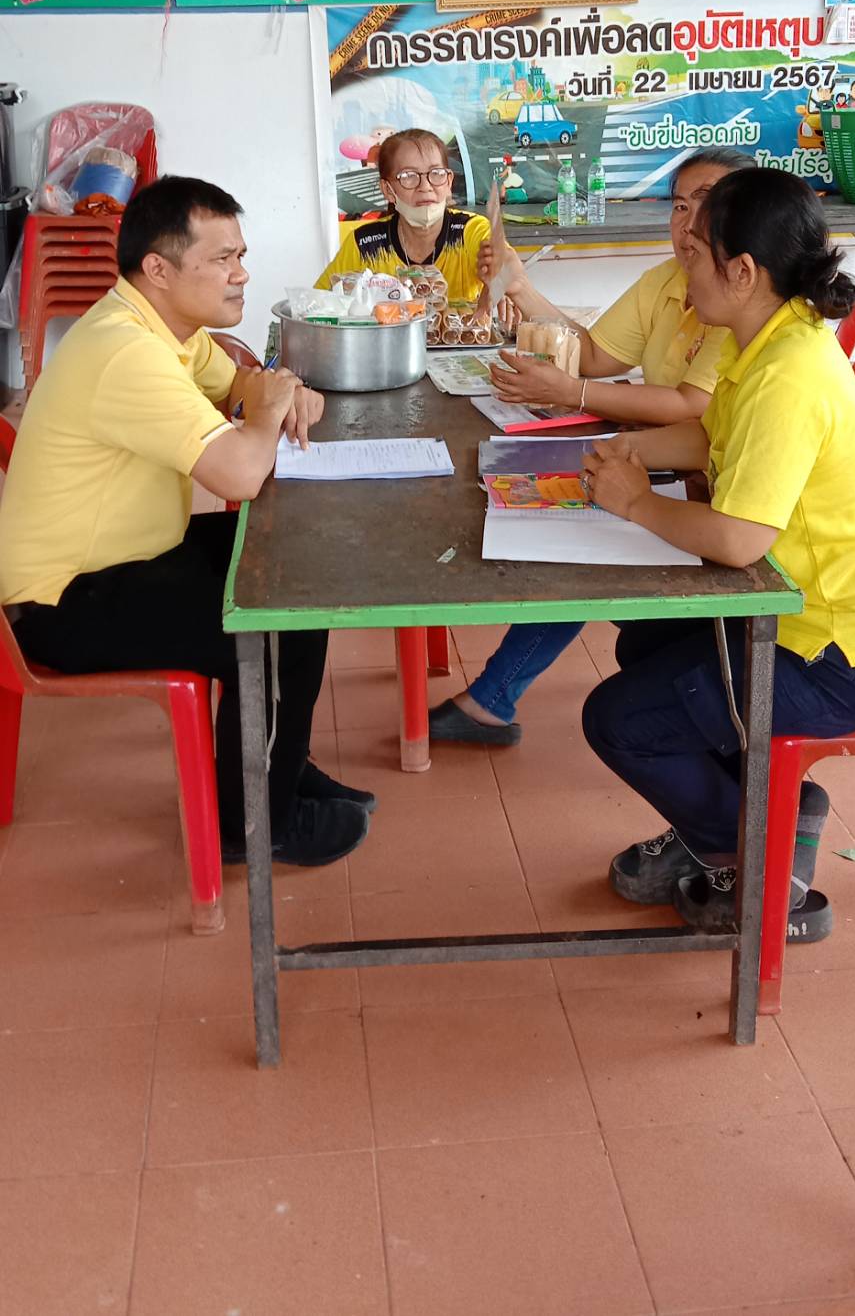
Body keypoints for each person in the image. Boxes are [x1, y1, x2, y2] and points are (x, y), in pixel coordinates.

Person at [0, 177, 374, 867]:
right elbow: (237, 471)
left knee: (292, 564)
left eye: (242, 253)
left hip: (132, 557)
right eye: (223, 258)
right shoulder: (128, 352)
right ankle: (257, 823)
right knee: (275, 616)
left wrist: (273, 391)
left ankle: (278, 768)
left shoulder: (161, 326)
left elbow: (236, 383)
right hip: (63, 599)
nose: (243, 273)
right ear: (159, 269)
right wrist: (267, 408)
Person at [575, 166, 855, 942]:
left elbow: (737, 539)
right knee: (642, 641)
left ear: (742, 271)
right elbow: (711, 434)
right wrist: (625, 447)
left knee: (617, 718)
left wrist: (637, 501)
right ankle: (769, 807)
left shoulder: (790, 374)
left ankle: (753, 856)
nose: (682, 260)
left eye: (695, 250)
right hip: (784, 606)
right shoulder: (768, 336)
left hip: (825, 647)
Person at [430, 148, 753, 745]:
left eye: (707, 205)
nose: (689, 224)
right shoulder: (667, 281)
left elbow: (691, 407)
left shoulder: (743, 305)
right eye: (680, 205)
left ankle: (497, 694)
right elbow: (598, 354)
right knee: (566, 496)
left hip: (708, 483)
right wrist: (521, 288)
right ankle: (497, 695)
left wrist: (576, 393)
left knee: (579, 526)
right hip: (671, 457)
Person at [317, 128, 494, 303]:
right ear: (388, 190)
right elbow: (317, 305)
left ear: (448, 182)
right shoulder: (364, 245)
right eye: (408, 176)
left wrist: (500, 285)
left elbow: (506, 269)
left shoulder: (471, 230)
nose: (425, 186)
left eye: (436, 173)